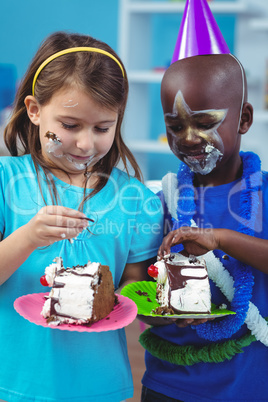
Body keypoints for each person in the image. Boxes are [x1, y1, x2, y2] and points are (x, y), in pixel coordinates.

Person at [0, 31, 163, 402]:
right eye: (70, 126)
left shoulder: (135, 199)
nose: (87, 144)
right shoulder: (5, 181)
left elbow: (135, 289)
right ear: (34, 110)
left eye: (103, 128)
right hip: (14, 381)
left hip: (100, 384)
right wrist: (27, 237)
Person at [139, 4, 268, 399]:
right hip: (170, 382)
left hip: (247, 381)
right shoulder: (165, 199)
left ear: (243, 119)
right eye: (175, 126)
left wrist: (221, 238)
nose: (189, 138)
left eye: (205, 121)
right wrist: (157, 314)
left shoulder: (263, 193)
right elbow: (140, 287)